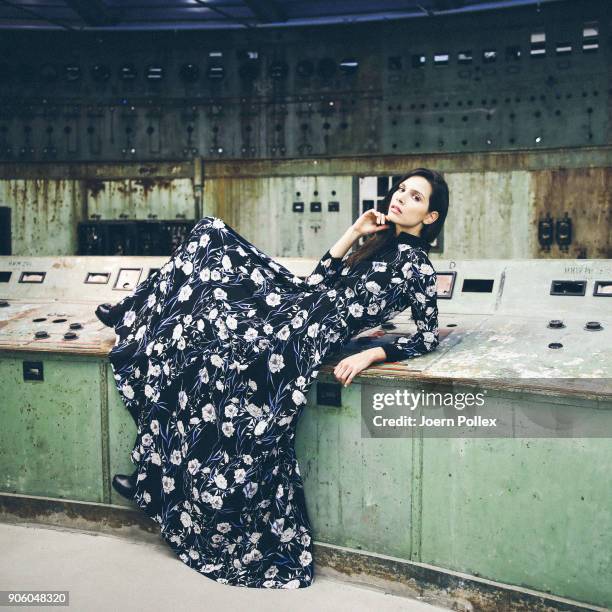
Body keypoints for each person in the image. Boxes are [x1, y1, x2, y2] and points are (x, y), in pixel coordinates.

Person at [95, 167, 448, 589]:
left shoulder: (418, 267)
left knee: (208, 348)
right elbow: (318, 283)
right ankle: (132, 315)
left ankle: (152, 481)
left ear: (430, 218)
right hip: (292, 308)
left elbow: (428, 336)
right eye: (401, 190)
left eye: (415, 197)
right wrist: (355, 232)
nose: (401, 198)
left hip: (296, 340)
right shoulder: (377, 242)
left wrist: (374, 352)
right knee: (211, 237)